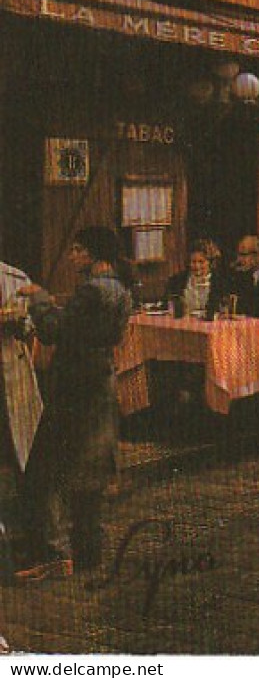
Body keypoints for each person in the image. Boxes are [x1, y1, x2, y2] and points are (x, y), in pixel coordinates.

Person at [15, 227, 133, 580]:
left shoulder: (93, 291)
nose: (72, 256)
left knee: (44, 469)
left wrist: (39, 298)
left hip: (74, 389)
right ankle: (88, 550)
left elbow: (53, 330)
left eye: (78, 250)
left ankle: (52, 553)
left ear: (94, 254)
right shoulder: (121, 289)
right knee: (90, 469)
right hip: (101, 383)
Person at [0, 260, 42, 574]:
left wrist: (19, 322)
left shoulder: (14, 278)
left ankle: (29, 538)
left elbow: (32, 326)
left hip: (10, 379)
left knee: (22, 454)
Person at [165, 238, 224, 319]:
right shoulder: (177, 280)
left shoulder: (220, 282)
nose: (197, 266)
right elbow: (168, 305)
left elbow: (221, 311)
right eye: (193, 262)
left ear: (210, 262)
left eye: (201, 262)